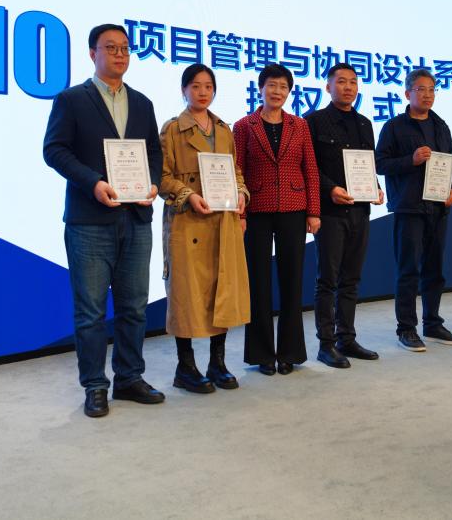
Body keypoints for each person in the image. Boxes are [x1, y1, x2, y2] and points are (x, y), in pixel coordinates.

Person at [43, 23, 165, 419]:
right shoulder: (71, 99)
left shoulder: (143, 103)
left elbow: (154, 153)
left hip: (136, 217)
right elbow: (54, 150)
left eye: (125, 48)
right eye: (110, 47)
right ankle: (95, 385)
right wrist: (93, 182)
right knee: (91, 311)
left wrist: (152, 183)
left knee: (134, 307)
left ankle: (129, 378)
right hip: (90, 220)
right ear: (92, 53)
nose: (119, 54)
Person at [159, 64, 250, 393]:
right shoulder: (172, 129)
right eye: (195, 86)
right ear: (184, 90)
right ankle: (185, 367)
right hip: (188, 221)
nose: (202, 92)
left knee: (220, 290)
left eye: (208, 86)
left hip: (222, 220)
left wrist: (242, 193)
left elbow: (235, 171)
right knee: (185, 295)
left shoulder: (224, 129)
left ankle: (217, 363)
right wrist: (188, 195)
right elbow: (162, 176)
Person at [233, 63, 320, 375]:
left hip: (294, 208)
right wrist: (240, 213)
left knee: (292, 282)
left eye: (283, 87)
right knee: (258, 283)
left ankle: (290, 353)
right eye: (272, 85)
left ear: (289, 91)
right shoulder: (244, 126)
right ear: (260, 88)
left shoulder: (300, 125)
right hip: (256, 210)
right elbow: (237, 170)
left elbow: (310, 169)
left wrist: (314, 211)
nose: (277, 91)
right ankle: (262, 355)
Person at [375, 68, 452, 352]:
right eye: (421, 89)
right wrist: (410, 160)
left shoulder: (441, 126)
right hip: (409, 207)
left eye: (432, 90)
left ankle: (433, 323)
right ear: (407, 93)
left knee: (435, 270)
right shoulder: (394, 126)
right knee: (408, 269)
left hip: (438, 208)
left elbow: (448, 162)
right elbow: (380, 164)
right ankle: (407, 328)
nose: (427, 95)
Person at [305, 63, 383, 368]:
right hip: (330, 212)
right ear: (328, 87)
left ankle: (346, 338)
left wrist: (376, 187)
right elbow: (310, 167)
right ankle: (326, 344)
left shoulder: (365, 123)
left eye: (353, 82)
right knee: (327, 280)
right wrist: (330, 189)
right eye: (341, 82)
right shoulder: (314, 121)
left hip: (360, 211)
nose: (348, 87)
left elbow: (366, 164)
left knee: (351, 279)